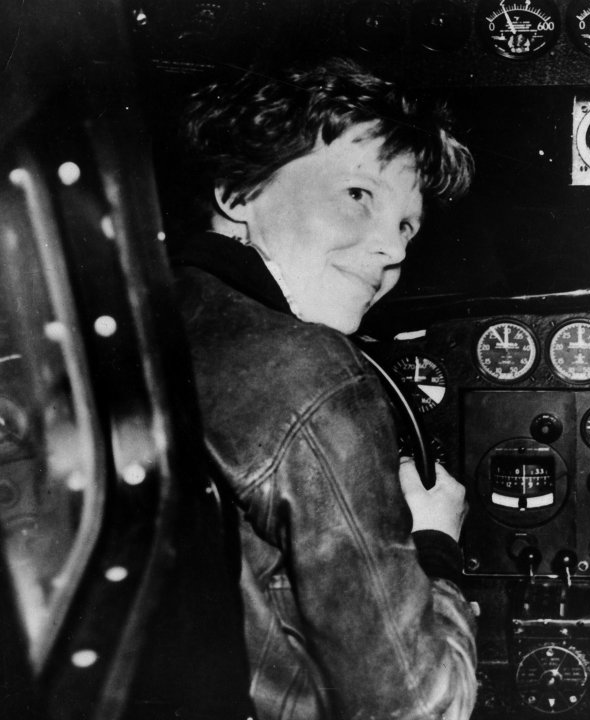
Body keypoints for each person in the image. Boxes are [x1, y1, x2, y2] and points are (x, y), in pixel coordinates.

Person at [168, 57, 477, 720]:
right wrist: (435, 546)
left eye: (405, 226)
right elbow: (422, 708)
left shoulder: (145, 322)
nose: (391, 252)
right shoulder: (314, 372)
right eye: (359, 196)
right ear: (238, 190)